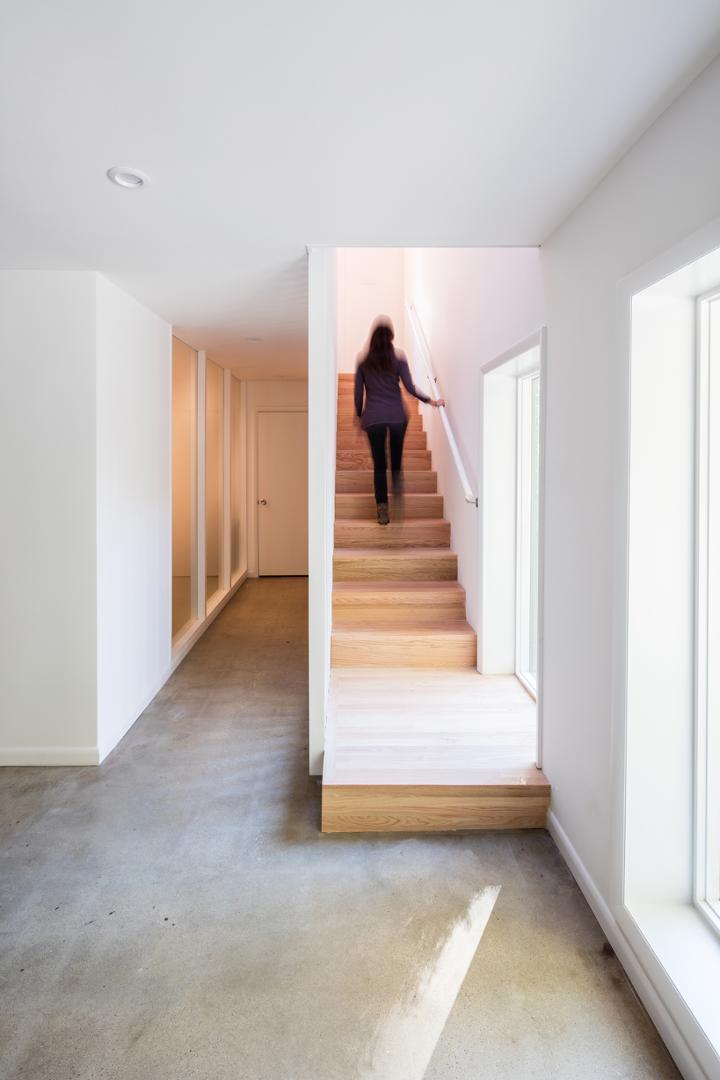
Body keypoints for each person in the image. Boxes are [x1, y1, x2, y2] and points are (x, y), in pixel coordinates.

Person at [354, 319, 445, 524]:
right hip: (397, 416)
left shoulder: (363, 362)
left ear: (373, 338)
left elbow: (358, 393)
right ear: (391, 338)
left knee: (379, 465)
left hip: (373, 418)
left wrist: (359, 417)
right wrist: (431, 401)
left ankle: (382, 508)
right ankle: (396, 484)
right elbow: (410, 387)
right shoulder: (399, 359)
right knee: (395, 459)